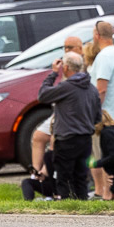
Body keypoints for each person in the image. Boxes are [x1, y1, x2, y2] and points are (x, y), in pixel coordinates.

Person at [37, 51, 100, 200]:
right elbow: (97, 117)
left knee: (64, 178)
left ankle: (67, 206)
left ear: (65, 67)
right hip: (85, 140)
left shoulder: (66, 87)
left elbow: (43, 95)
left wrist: (53, 73)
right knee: (81, 178)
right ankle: (82, 205)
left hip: (66, 139)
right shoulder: (92, 89)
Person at [30, 35, 84, 172]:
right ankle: (36, 172)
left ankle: (45, 175)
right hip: (60, 113)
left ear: (80, 49)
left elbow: (44, 95)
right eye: (64, 48)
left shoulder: (81, 68)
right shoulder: (66, 66)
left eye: (70, 47)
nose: (66, 51)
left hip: (73, 116)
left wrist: (53, 74)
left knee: (55, 139)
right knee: (38, 136)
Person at [90, 21, 114, 199]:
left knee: (102, 155)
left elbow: (101, 89)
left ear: (97, 35)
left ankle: (107, 194)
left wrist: (94, 113)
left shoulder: (105, 56)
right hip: (113, 114)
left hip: (104, 116)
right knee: (105, 155)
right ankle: (104, 192)